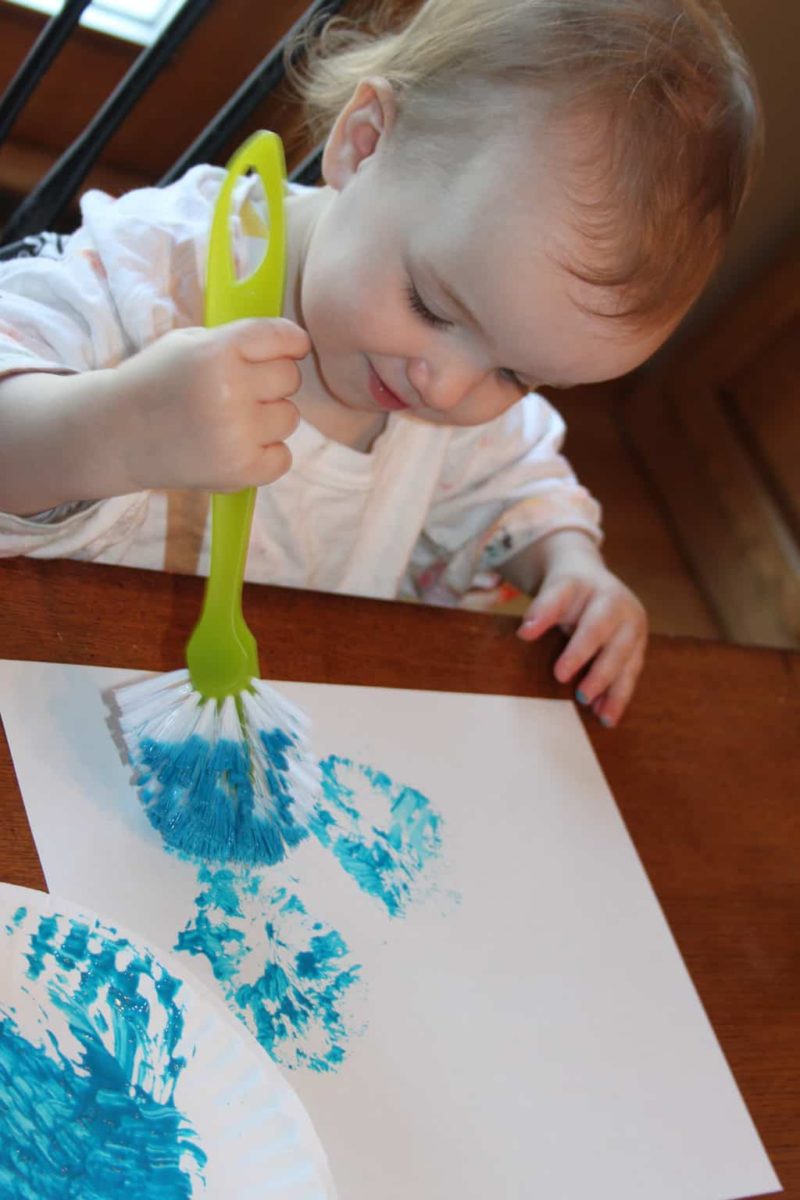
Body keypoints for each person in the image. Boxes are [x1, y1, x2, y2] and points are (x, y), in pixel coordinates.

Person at [0, 0, 760, 727]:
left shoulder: (458, 364)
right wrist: (115, 428)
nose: (450, 388)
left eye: (516, 376)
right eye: (432, 307)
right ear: (362, 144)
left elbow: (512, 479)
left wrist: (567, 562)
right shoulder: (161, 276)